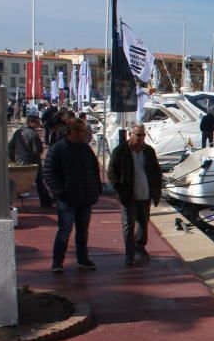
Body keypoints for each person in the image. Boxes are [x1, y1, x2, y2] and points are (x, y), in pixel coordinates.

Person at [43, 117, 101, 272]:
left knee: (83, 232)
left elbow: (95, 170)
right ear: (72, 132)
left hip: (86, 197)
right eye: (83, 131)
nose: (85, 134)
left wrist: (96, 189)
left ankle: (83, 259)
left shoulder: (85, 149)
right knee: (65, 230)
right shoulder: (58, 149)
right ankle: (57, 262)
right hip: (67, 199)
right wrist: (60, 193)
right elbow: (48, 173)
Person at [108, 125, 163, 266]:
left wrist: (156, 189)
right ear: (130, 134)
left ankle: (140, 247)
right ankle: (129, 254)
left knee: (143, 223)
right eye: (138, 135)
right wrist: (118, 189)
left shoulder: (149, 151)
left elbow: (156, 171)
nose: (141, 138)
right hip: (128, 195)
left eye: (143, 135)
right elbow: (112, 172)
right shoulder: (120, 151)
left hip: (145, 194)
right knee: (129, 225)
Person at [8, 114, 52, 207]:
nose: (39, 124)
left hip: (20, 160)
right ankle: (45, 202)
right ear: (31, 122)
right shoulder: (32, 134)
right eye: (37, 122)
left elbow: (11, 146)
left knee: (19, 181)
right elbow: (38, 150)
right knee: (39, 181)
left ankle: (13, 201)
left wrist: (13, 158)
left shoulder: (18, 132)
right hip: (33, 161)